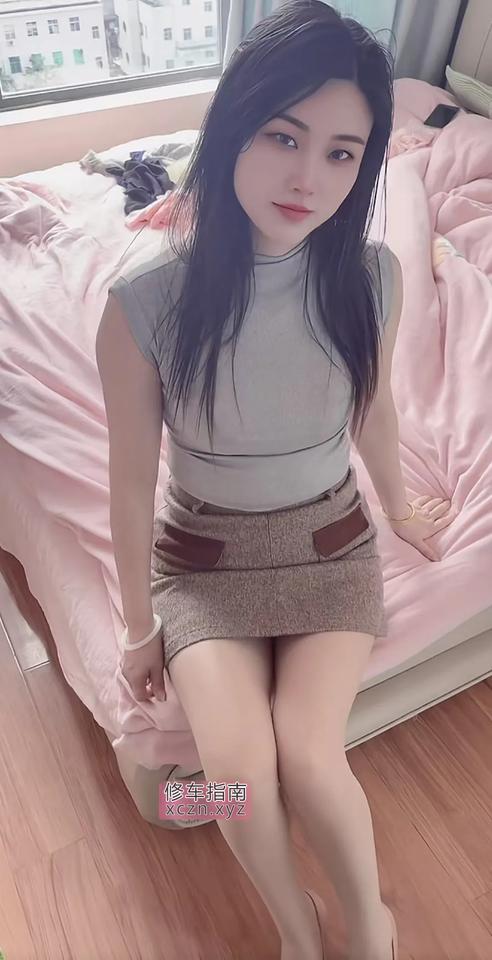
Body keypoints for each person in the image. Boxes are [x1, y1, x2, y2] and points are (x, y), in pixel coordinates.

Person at [96, 2, 456, 958]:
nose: (308, 178)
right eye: (283, 137)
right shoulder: (144, 300)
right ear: (232, 130)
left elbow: (372, 410)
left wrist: (402, 509)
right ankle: (296, 930)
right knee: (233, 780)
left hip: (329, 546)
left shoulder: (371, 276)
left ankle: (370, 930)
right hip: (202, 564)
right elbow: (128, 483)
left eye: (342, 154)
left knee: (308, 755)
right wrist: (137, 628)